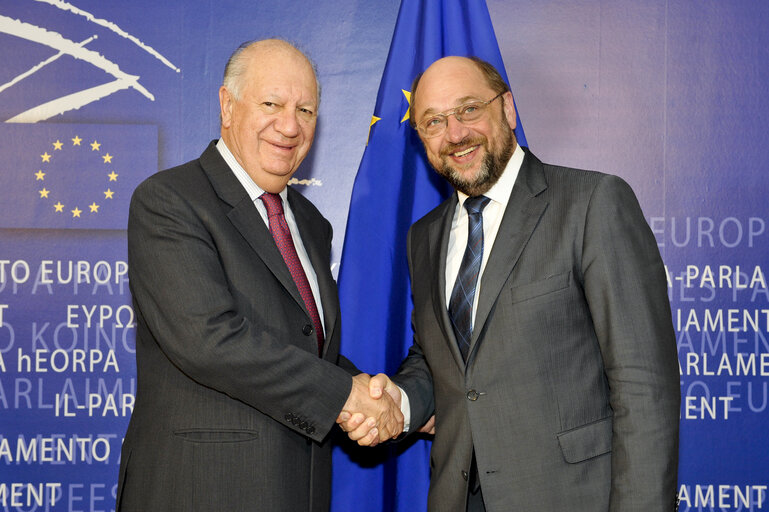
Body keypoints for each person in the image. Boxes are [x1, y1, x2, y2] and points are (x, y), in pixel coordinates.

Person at [339, 56, 680, 511]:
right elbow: (442, 363)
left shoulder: (592, 204)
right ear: (420, 137)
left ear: (508, 109)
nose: (455, 134)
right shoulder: (424, 237)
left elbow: (643, 384)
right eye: (433, 121)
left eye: (469, 109)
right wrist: (396, 403)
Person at [116, 39, 402, 512]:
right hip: (199, 491)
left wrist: (383, 396)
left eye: (306, 110)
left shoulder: (310, 224)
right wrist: (347, 396)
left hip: (298, 490)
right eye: (271, 104)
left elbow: (304, 347)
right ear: (227, 106)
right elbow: (208, 339)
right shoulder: (169, 200)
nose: (289, 126)